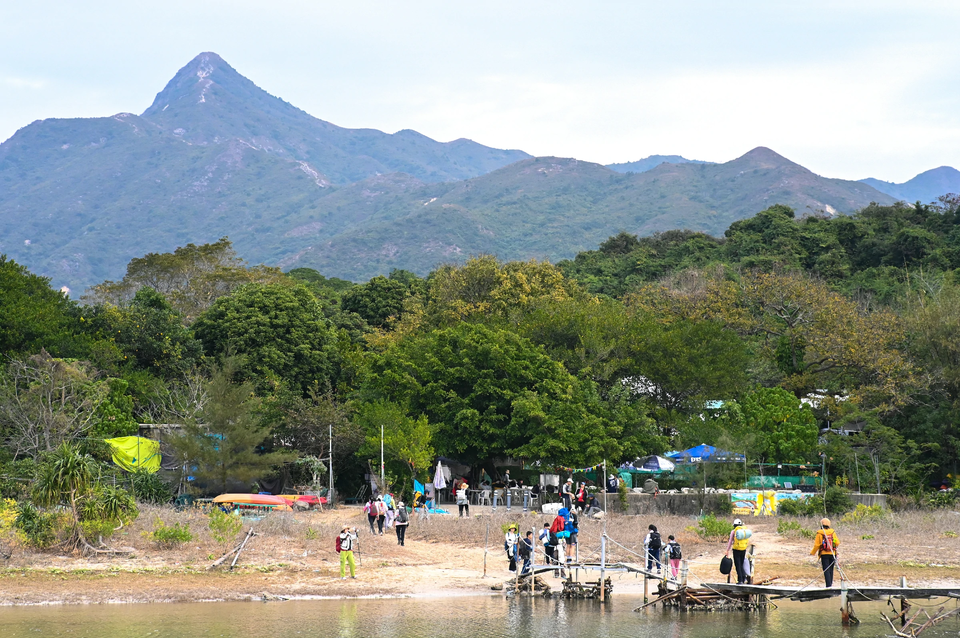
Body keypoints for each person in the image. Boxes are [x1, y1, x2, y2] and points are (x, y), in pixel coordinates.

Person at [811, 517, 840, 587]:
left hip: (824, 554)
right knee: (831, 570)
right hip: (833, 554)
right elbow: (837, 542)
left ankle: (828, 585)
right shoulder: (833, 532)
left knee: (826, 570)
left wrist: (812, 553)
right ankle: (830, 585)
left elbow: (817, 545)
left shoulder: (819, 533)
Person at [725, 518, 752, 584]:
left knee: (738, 565)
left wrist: (727, 550)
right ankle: (743, 578)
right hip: (743, 549)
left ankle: (740, 580)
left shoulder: (733, 531)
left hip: (736, 550)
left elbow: (730, 541)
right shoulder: (744, 531)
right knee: (741, 564)